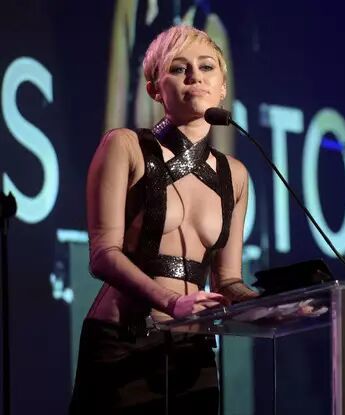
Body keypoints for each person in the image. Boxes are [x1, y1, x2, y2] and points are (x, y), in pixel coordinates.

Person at [69, 24, 257, 414]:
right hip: (122, 342)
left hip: (192, 351)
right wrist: (172, 303)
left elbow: (228, 281)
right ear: (155, 88)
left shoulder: (235, 175)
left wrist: (276, 305)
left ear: (223, 87)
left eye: (207, 67)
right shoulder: (125, 146)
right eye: (179, 68)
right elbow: (103, 255)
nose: (195, 77)